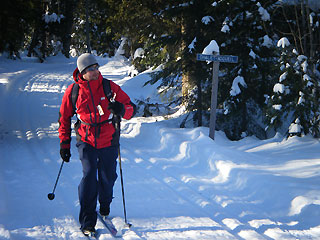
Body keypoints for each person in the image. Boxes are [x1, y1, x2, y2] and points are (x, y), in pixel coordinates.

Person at [58, 53, 136, 236]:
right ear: (82, 72)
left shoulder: (109, 87)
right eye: (90, 69)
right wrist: (64, 144)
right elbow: (64, 118)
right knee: (89, 175)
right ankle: (87, 221)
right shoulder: (74, 91)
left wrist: (122, 109)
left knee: (108, 176)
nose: (94, 72)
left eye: (96, 67)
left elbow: (131, 109)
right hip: (86, 140)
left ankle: (105, 207)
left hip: (109, 139)